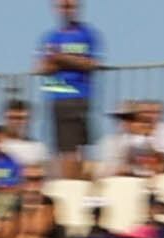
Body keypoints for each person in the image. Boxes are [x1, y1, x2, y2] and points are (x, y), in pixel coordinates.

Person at [32, 0, 104, 155]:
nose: (67, 10)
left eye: (71, 6)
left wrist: (60, 58)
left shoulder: (88, 34)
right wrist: (73, 60)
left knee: (82, 148)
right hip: (57, 96)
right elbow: (41, 68)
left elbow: (92, 63)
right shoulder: (50, 37)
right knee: (64, 149)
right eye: (63, 6)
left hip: (81, 95)